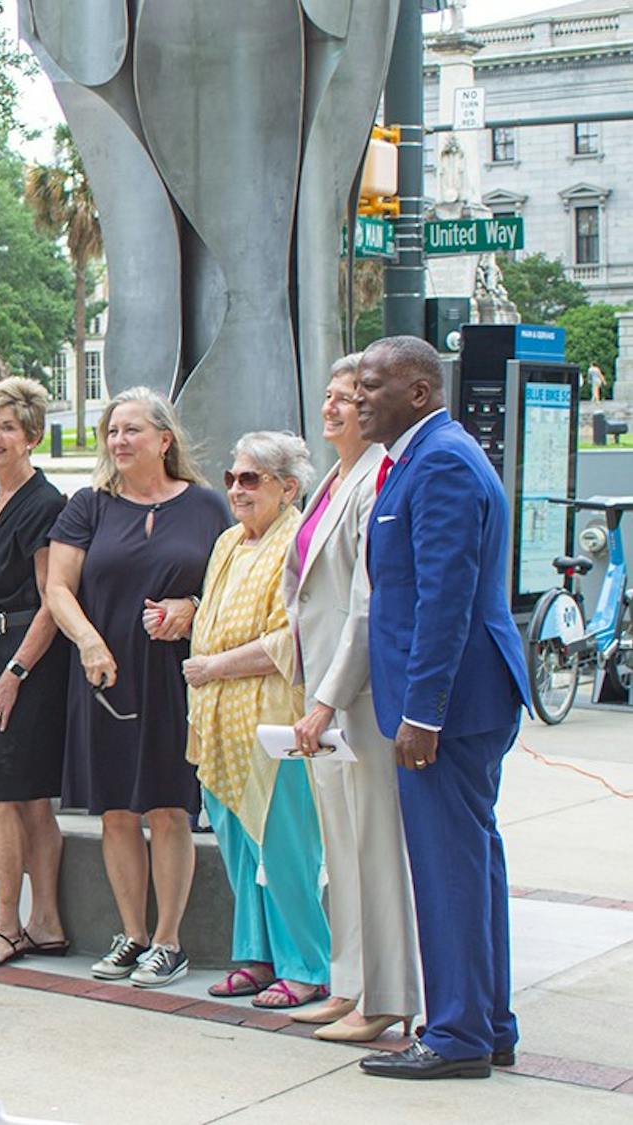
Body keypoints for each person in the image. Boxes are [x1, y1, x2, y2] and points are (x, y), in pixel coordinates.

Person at [355, 336, 530, 1080]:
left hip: (451, 705)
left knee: (450, 867)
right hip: (454, 699)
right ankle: (485, 1021)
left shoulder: (444, 462)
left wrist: (422, 711)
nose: (358, 395)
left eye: (372, 384)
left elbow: (445, 599)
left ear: (419, 392)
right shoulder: (422, 458)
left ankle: (457, 1033)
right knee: (467, 862)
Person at [46, 388, 228, 987]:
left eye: (132, 431)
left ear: (164, 440)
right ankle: (133, 934)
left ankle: (169, 942)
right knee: (117, 812)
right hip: (104, 677)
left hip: (173, 680)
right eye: (112, 432)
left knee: (168, 808)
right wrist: (90, 643)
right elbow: (58, 589)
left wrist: (192, 607)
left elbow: (232, 587)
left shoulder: (205, 506)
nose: (119, 442)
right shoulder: (88, 505)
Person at [282, 356, 423, 1041]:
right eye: (331, 397)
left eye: (349, 397)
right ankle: (349, 984)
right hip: (320, 692)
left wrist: (329, 698)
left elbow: (366, 605)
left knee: (372, 849)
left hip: (357, 696)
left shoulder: (377, 479)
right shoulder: (330, 482)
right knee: (339, 848)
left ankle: (388, 994)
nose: (336, 407)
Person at [186, 432, 330, 1009]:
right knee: (241, 851)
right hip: (221, 719)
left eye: (252, 479)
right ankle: (255, 957)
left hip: (275, 720)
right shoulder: (228, 542)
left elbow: (293, 638)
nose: (237, 489)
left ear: (288, 488)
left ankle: (307, 965)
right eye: (232, 477)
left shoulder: (298, 540)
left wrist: (215, 666)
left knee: (286, 848)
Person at [0, 377, 71, 970]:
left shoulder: (43, 502)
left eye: (7, 426)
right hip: (0, 648)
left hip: (30, 658)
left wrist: (15, 673)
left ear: (31, 437)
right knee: (29, 801)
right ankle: (46, 921)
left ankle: (7, 924)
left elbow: (54, 598)